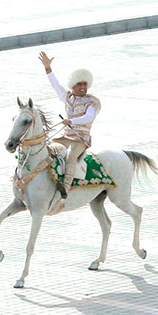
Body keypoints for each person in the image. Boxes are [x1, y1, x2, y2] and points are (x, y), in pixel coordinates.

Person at [38, 51, 100, 205]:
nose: (83, 87)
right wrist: (48, 68)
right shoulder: (67, 97)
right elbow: (55, 85)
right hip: (64, 137)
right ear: (73, 85)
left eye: (85, 84)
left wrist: (71, 121)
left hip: (79, 139)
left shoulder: (92, 101)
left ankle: (65, 188)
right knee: (48, 151)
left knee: (71, 157)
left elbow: (89, 117)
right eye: (79, 84)